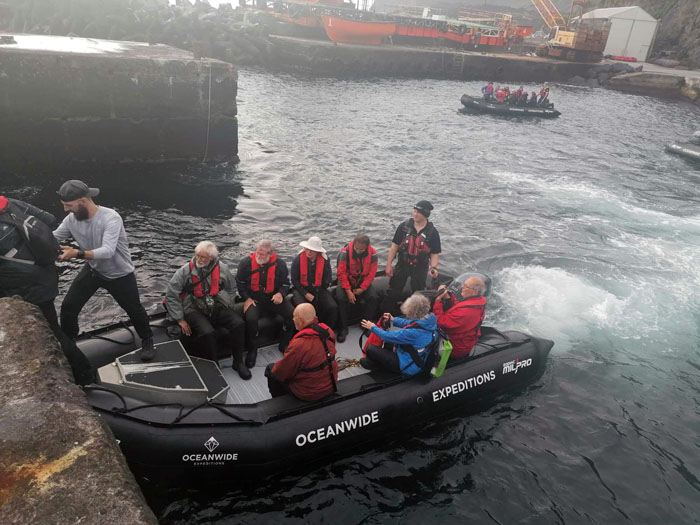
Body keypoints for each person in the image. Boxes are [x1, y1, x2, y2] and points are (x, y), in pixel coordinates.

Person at [53, 180, 154, 360]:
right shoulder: (71, 219)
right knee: (68, 307)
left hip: (119, 274)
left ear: (83, 201)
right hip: (93, 270)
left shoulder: (111, 218)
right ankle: (69, 344)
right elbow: (53, 238)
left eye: (68, 205)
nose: (65, 209)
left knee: (133, 308)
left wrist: (76, 253)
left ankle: (147, 340)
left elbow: (107, 251)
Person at [0, 195, 93, 385]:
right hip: (44, 274)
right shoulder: (11, 203)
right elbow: (49, 219)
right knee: (52, 326)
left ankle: (84, 375)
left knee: (52, 331)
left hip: (24, 286)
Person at [165, 241, 249, 378]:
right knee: (208, 333)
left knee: (238, 324)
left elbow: (231, 288)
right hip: (194, 308)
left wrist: (229, 304)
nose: (198, 259)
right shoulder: (185, 271)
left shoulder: (222, 269)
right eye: (197, 255)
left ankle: (238, 362)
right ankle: (213, 365)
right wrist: (180, 319)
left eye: (203, 257)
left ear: (211, 258)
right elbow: (171, 294)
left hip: (216, 305)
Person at [236, 239, 295, 364]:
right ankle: (253, 350)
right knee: (251, 320)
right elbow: (240, 283)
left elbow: (285, 283)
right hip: (255, 300)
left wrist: (281, 293)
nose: (259, 256)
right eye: (258, 252)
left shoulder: (280, 264)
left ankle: (284, 343)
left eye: (263, 254)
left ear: (270, 254)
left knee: (292, 314)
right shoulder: (246, 263)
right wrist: (246, 298)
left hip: (273, 298)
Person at [265, 303, 338, 401]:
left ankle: (280, 402)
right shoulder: (328, 331)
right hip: (330, 385)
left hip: (308, 393)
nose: (293, 319)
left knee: (271, 369)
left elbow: (281, 372)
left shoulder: (299, 344)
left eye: (294, 317)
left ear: (300, 320)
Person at [383, 201, 441, 314]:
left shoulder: (433, 233)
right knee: (393, 291)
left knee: (418, 293)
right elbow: (394, 246)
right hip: (402, 264)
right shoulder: (403, 227)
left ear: (426, 215)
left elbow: (434, 253)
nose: (415, 214)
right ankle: (386, 315)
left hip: (420, 267)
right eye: (414, 211)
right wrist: (389, 264)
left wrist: (433, 268)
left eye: (419, 213)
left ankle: (415, 317)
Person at [360, 293, 438, 376]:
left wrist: (372, 327)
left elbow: (387, 336)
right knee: (389, 343)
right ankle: (383, 361)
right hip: (415, 357)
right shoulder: (430, 319)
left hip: (407, 366)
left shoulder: (412, 333)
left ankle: (379, 366)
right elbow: (410, 323)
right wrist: (393, 319)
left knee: (370, 348)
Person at [335, 233, 378, 343]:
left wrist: (363, 288)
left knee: (373, 297)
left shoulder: (373, 254)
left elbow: (372, 274)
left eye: (361, 249)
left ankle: (365, 323)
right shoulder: (344, 254)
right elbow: (341, 273)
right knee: (341, 298)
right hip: (347, 282)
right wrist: (348, 291)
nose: (358, 251)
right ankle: (343, 328)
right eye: (356, 248)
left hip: (362, 282)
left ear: (367, 247)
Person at [433, 275, 487, 358]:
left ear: (474, 292)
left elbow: (440, 322)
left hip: (454, 347)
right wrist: (449, 298)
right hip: (463, 339)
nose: (462, 287)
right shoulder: (476, 303)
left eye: (466, 286)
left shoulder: (467, 312)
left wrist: (437, 300)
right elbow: (459, 308)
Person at [290, 236, 338, 328]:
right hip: (301, 289)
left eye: (312, 250)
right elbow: (294, 280)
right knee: (303, 311)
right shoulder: (297, 260)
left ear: (318, 252)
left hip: (318, 288)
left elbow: (327, 277)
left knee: (332, 307)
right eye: (307, 249)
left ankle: (327, 330)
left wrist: (321, 289)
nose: (309, 252)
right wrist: (305, 293)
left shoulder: (325, 260)